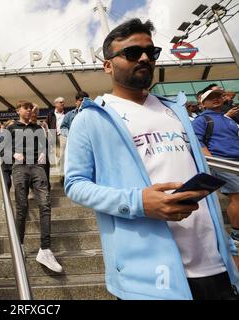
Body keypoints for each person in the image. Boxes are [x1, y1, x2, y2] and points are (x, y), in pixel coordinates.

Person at [65, 18, 238, 300]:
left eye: (151, 52)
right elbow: (75, 184)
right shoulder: (91, 117)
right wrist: (138, 202)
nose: (145, 58)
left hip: (215, 268)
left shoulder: (178, 111)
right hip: (150, 281)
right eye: (132, 53)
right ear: (107, 65)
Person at [8, 100, 62, 273]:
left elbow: (45, 146)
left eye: (31, 108)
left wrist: (43, 153)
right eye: (26, 108)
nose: (30, 110)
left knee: (45, 205)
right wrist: (13, 154)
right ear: (18, 110)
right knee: (22, 206)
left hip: (37, 167)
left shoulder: (37, 128)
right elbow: (1, 150)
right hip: (19, 168)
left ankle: (45, 250)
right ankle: (19, 245)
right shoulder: (11, 129)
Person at [192, 89, 239, 245]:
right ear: (203, 103)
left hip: (235, 162)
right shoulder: (201, 120)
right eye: (211, 98)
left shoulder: (229, 120)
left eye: (218, 96)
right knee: (237, 197)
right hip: (222, 163)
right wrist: (211, 161)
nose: (216, 99)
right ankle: (236, 233)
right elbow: (197, 141)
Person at [59, 91, 89, 184]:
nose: (83, 102)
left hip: (86, 141)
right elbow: (63, 127)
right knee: (64, 154)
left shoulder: (91, 114)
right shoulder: (70, 114)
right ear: (76, 102)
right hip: (71, 141)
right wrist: (71, 135)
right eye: (81, 100)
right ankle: (63, 175)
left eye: (85, 100)